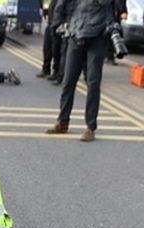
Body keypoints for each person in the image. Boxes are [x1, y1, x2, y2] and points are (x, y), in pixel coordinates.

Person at [44, 0, 115, 142]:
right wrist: (58, 23)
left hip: (97, 35)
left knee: (93, 83)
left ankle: (90, 127)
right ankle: (62, 122)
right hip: (76, 33)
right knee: (68, 81)